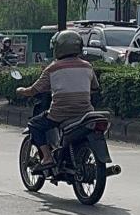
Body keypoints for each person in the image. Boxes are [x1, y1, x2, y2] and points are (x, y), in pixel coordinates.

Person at [15, 30, 98, 172]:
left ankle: (47, 157)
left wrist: (21, 90)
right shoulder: (87, 66)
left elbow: (34, 90)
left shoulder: (52, 68)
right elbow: (95, 87)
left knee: (34, 124)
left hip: (61, 113)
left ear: (58, 48)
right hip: (85, 114)